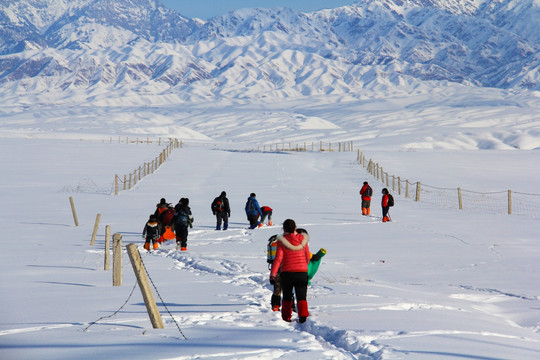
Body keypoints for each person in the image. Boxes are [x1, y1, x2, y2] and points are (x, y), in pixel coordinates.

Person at [270, 219, 310, 323]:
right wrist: (304, 266)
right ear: (295, 228)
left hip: (287, 272)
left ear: (284, 228)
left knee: (287, 296)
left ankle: (286, 317)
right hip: (302, 272)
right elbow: (307, 256)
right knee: (302, 295)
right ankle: (303, 316)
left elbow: (278, 259)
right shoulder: (303, 239)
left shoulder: (282, 241)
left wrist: (273, 274)